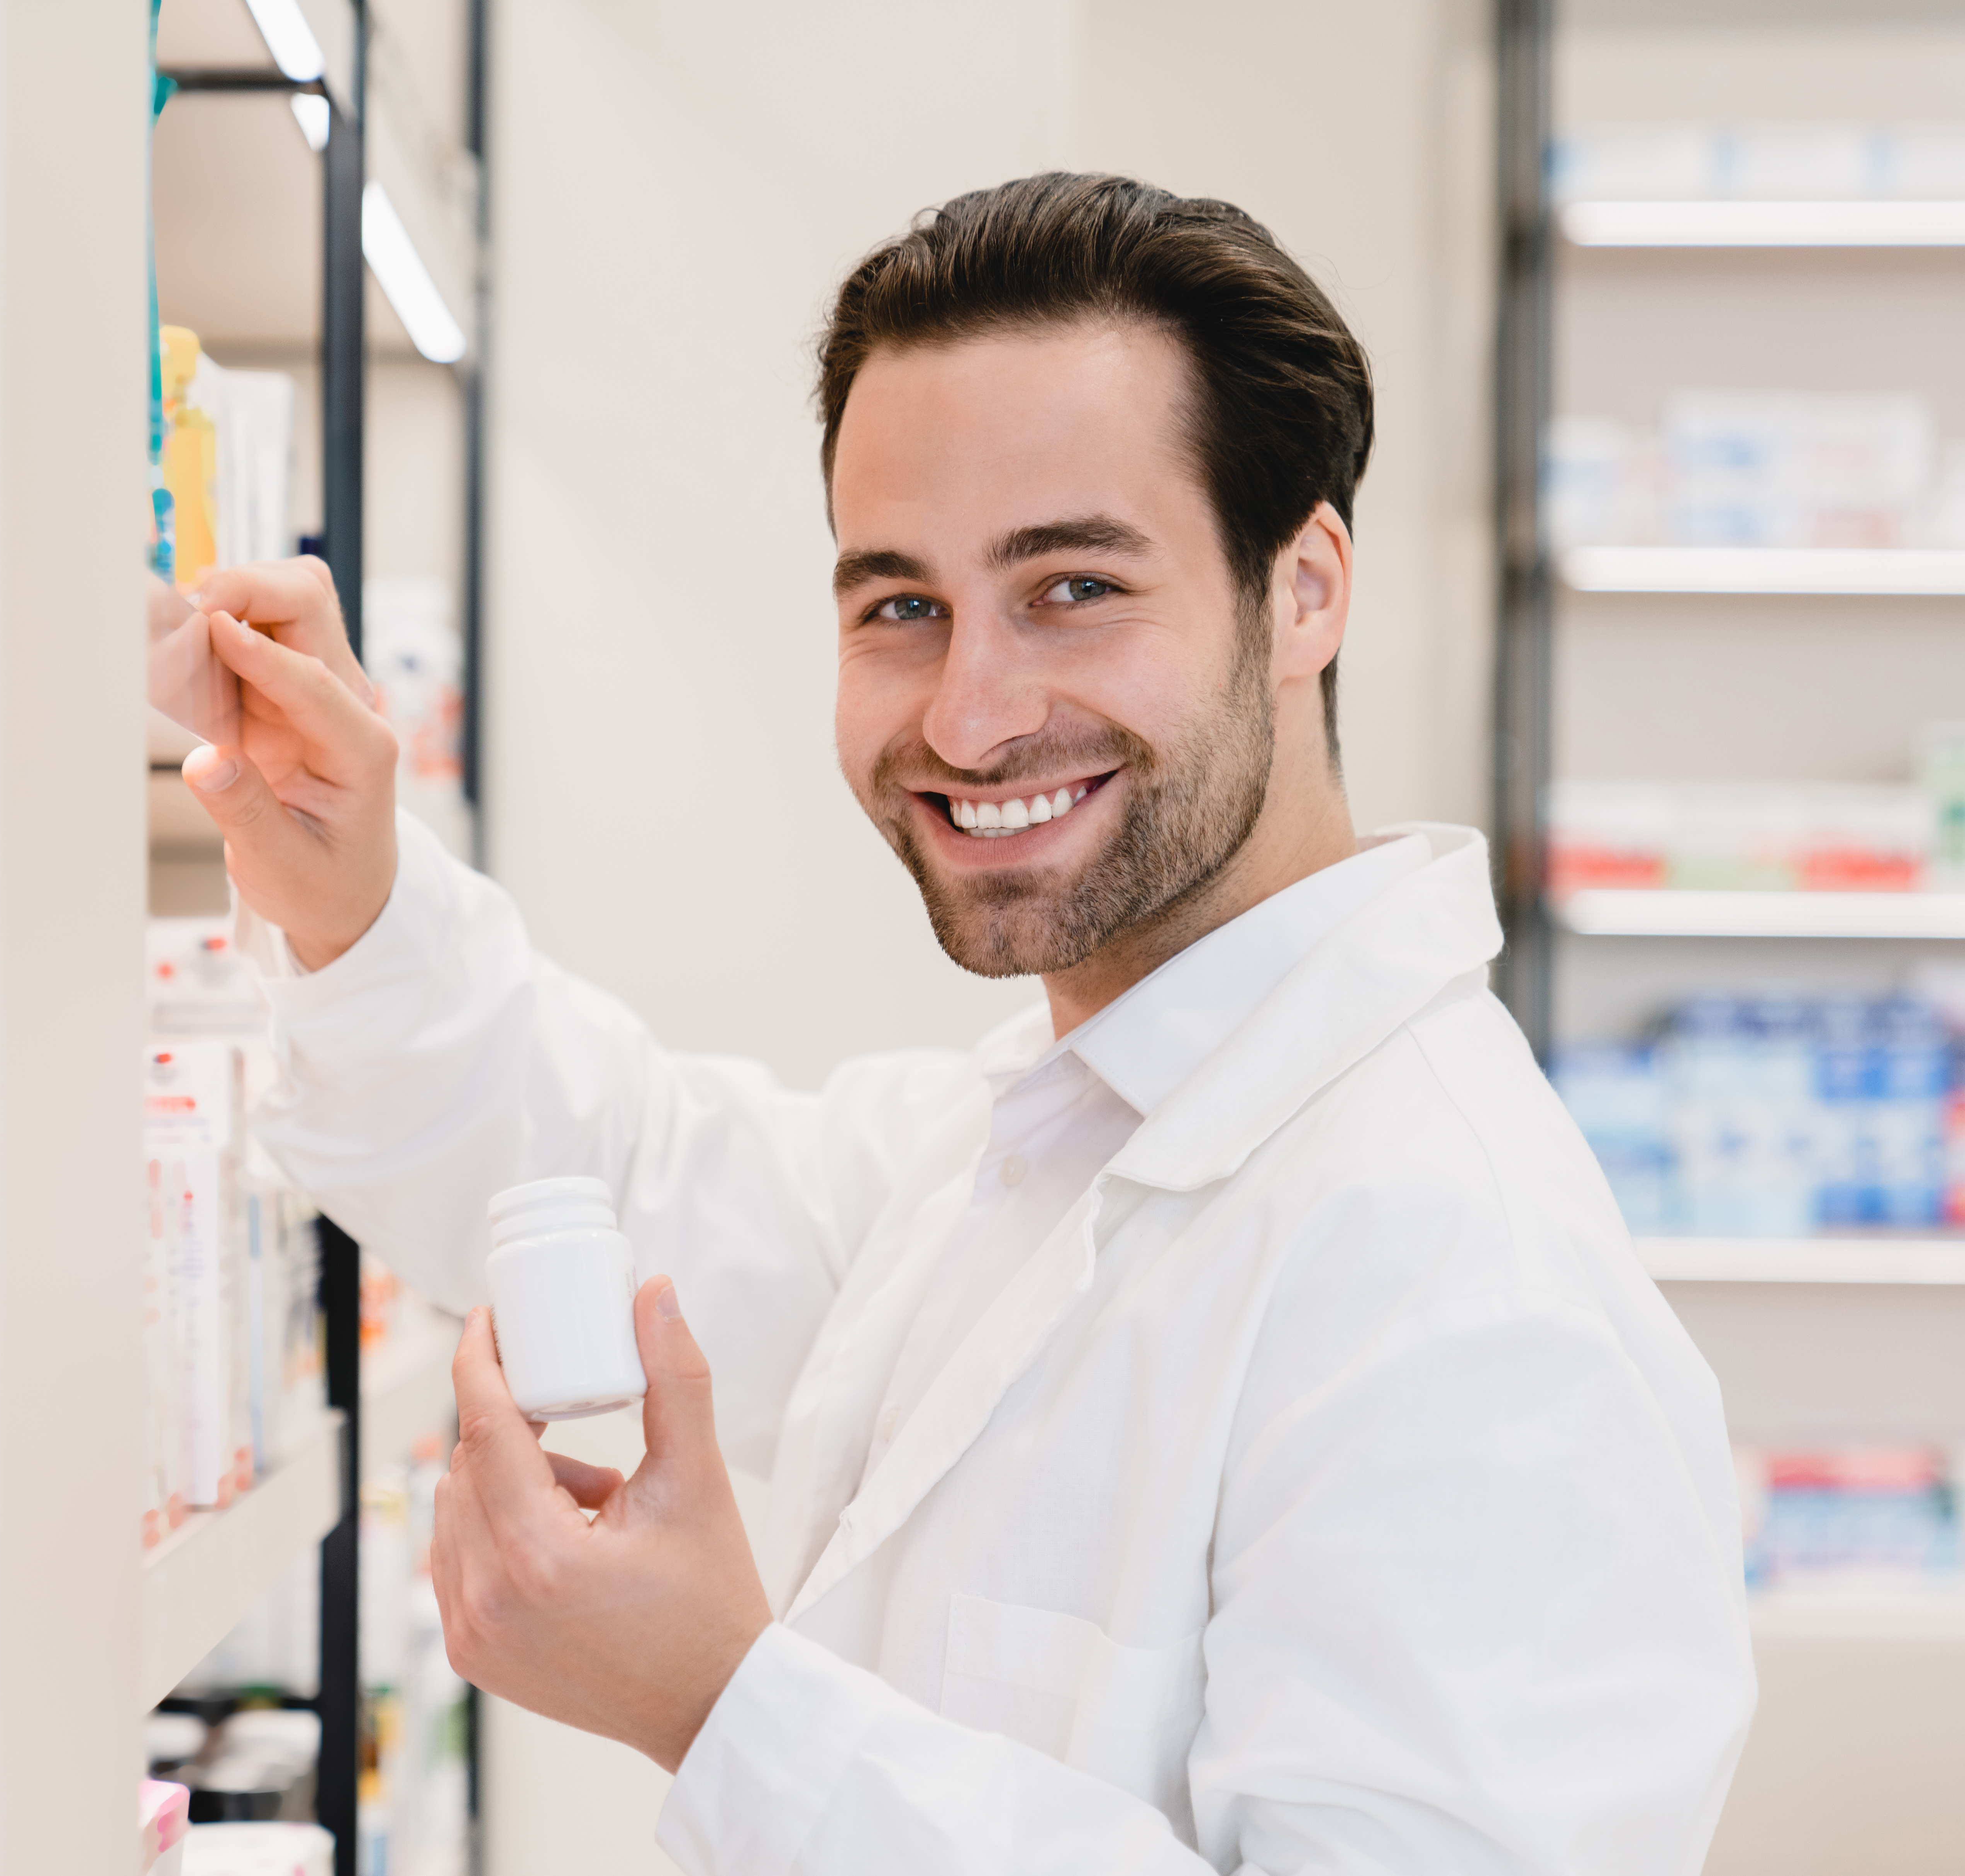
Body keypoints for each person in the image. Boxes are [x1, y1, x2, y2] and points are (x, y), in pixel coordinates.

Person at [161, 173, 1755, 1873]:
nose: (973, 715)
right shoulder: (1058, 1125)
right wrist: (344, 884)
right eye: (900, 606)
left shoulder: (1459, 1287)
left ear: (1304, 591)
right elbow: (630, 1179)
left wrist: (724, 1714)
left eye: (1072, 588)